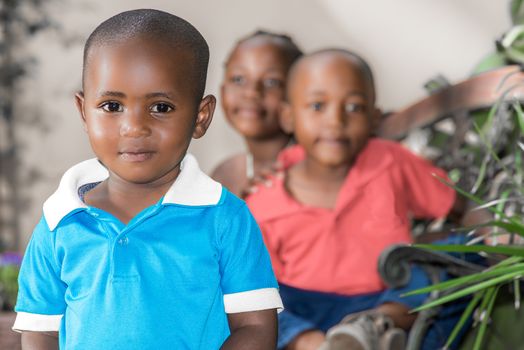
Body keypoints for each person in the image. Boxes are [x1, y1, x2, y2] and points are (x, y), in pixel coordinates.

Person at [12, 9, 282, 350]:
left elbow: (256, 327)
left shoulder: (225, 218)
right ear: (84, 111)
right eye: (112, 106)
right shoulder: (58, 223)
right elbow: (42, 332)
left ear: (201, 117)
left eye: (161, 107)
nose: (134, 127)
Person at [246, 49, 461, 350]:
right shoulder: (265, 198)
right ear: (289, 116)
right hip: (306, 311)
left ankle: (374, 327)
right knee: (249, 300)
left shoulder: (390, 162)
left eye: (354, 107)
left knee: (459, 254)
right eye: (318, 106)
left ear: (374, 118)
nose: (335, 121)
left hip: (391, 301)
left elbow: (460, 206)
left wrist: (490, 232)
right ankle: (317, 345)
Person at [211, 30, 303, 197]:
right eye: (238, 79)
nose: (252, 92)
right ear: (223, 90)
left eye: (271, 82)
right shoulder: (225, 174)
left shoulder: (312, 173)